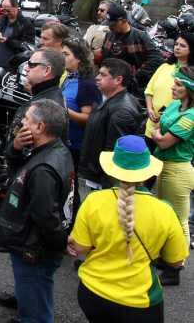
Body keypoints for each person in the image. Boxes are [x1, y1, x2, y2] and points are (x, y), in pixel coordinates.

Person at [69, 135, 187, 321]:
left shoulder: (94, 201)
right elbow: (176, 262)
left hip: (92, 293)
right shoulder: (165, 211)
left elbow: (80, 247)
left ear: (113, 169)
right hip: (139, 304)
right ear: (147, 172)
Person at [0, 99, 75, 323]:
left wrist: (59, 244)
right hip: (35, 244)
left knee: (36, 304)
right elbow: (16, 169)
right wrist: (16, 148)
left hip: (34, 249)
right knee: (32, 291)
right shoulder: (56, 149)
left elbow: (46, 216)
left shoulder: (43, 169)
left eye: (27, 118)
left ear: (40, 127)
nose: (21, 122)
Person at [150, 65, 194, 285]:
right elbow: (158, 123)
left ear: (189, 89)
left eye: (178, 84)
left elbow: (164, 140)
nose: (173, 87)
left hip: (178, 169)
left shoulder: (191, 115)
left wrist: (157, 133)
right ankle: (167, 257)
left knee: (178, 219)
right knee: (163, 214)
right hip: (163, 165)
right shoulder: (176, 105)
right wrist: (158, 132)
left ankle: (176, 267)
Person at [78, 59, 144, 201]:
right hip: (95, 175)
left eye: (103, 75)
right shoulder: (110, 99)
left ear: (118, 79)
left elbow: (116, 155)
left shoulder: (122, 111)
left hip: (102, 181)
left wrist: (106, 187)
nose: (97, 77)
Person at [97, 2, 163, 93]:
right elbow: (105, 55)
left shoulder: (140, 37)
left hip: (130, 88)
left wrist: (137, 76)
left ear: (123, 21)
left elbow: (157, 59)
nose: (110, 26)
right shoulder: (109, 35)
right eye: (109, 23)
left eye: (113, 24)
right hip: (110, 84)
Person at [60, 37, 101, 165]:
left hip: (75, 146)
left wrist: (63, 110)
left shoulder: (86, 84)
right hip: (62, 141)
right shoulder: (69, 77)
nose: (62, 58)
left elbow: (89, 119)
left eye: (66, 54)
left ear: (79, 58)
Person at [145, 32, 192, 139]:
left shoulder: (191, 73)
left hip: (173, 130)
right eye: (176, 44)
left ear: (191, 50)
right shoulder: (165, 66)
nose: (177, 47)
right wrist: (150, 109)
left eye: (182, 45)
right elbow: (149, 90)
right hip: (151, 127)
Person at [0, 0, 35, 88]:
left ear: (16, 7)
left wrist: (8, 41)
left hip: (13, 64)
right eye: (4, 11)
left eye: (8, 11)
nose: (6, 13)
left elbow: (28, 47)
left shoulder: (26, 23)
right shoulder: (3, 18)